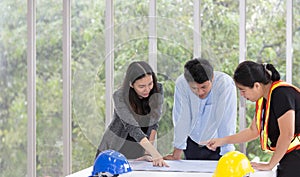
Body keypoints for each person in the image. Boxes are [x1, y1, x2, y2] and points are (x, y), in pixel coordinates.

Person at [206, 61, 300, 177]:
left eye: (243, 90)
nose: (242, 95)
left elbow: (287, 134)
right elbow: (253, 131)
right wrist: (222, 141)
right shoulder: (265, 99)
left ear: (257, 85)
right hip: (291, 155)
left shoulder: (281, 94)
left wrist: (270, 165)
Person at [95, 61, 168, 167]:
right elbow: (132, 127)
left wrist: (147, 152)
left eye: (150, 84)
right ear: (131, 84)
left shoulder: (158, 89)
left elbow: (154, 123)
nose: (147, 89)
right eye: (142, 86)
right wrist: (155, 153)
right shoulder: (119, 96)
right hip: (115, 149)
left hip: (140, 149)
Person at [164, 58, 237, 160]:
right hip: (192, 141)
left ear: (212, 78)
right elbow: (182, 118)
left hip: (217, 142)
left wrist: (227, 155)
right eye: (194, 88)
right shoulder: (182, 83)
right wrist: (176, 154)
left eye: (204, 87)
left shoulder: (225, 85)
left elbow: (226, 121)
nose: (200, 92)